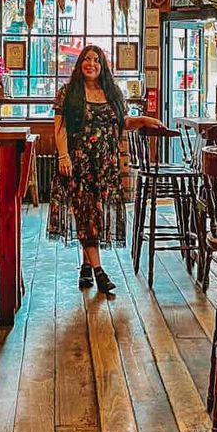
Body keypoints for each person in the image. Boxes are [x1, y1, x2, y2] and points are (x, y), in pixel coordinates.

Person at [48, 45, 164, 293]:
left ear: (103, 66)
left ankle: (86, 267)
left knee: (94, 217)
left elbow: (123, 122)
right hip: (78, 164)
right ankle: (100, 272)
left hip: (105, 165)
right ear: (80, 64)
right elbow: (60, 128)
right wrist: (63, 156)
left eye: (96, 60)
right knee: (86, 214)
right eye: (87, 59)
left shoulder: (112, 93)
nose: (91, 64)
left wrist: (144, 120)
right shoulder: (68, 93)